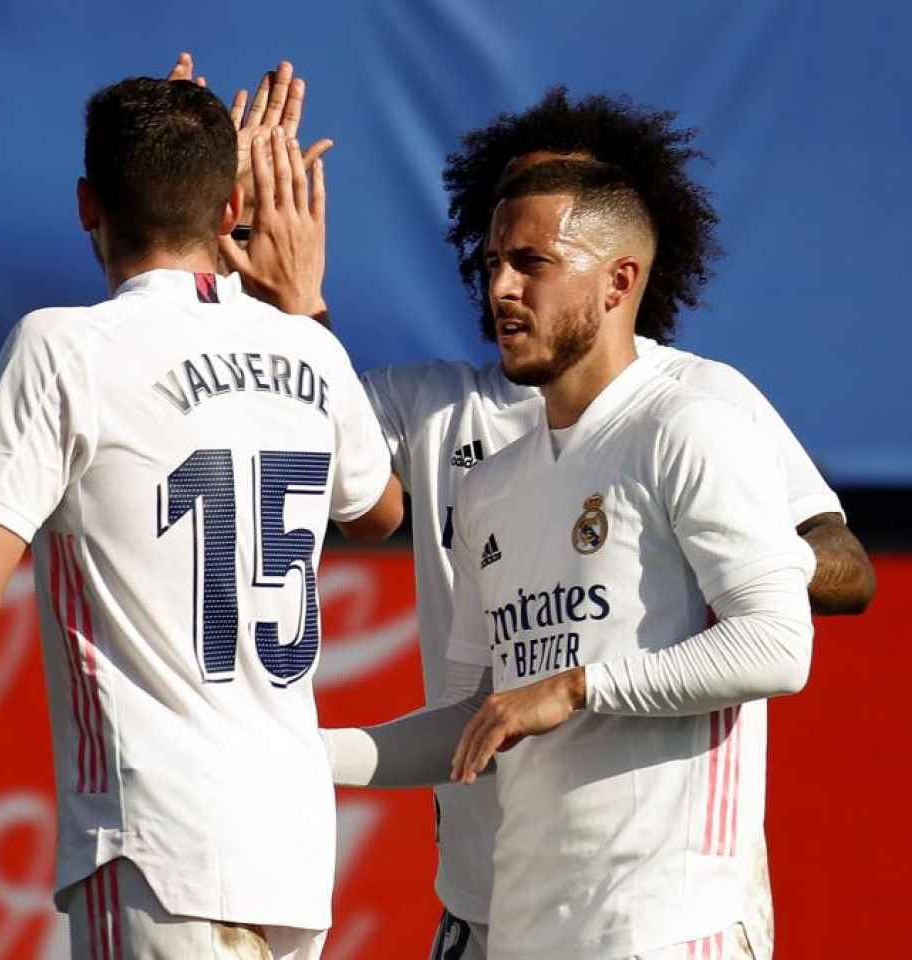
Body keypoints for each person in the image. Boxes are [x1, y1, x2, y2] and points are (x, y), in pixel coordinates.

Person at [0, 75, 403, 959]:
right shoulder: (309, 346)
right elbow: (379, 511)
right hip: (295, 847)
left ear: (87, 203)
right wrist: (299, 306)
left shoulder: (65, 347)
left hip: (160, 840)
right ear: (233, 204)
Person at [348, 88, 875, 960]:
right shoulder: (489, 481)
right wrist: (303, 757)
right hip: (511, 923)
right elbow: (478, 714)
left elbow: (780, 645)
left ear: (621, 276)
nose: (500, 288)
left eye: (531, 261)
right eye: (491, 261)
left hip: (668, 927)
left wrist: (581, 682)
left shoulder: (695, 416)